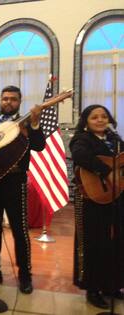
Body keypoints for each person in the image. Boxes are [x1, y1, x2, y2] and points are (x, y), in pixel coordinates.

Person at [0, 85, 45, 294]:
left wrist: (36, 123)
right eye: (5, 98)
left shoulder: (26, 122)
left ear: (19, 102)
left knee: (20, 231)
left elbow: (39, 146)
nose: (8, 102)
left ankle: (25, 275)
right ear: (0, 100)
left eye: (13, 99)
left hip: (15, 182)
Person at [70, 104, 124, 309]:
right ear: (86, 122)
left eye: (104, 116)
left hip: (116, 196)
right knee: (93, 243)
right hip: (91, 198)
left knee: (116, 241)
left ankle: (113, 285)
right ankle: (92, 288)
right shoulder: (81, 139)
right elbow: (81, 157)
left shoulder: (115, 140)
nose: (100, 120)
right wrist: (105, 171)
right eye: (94, 117)